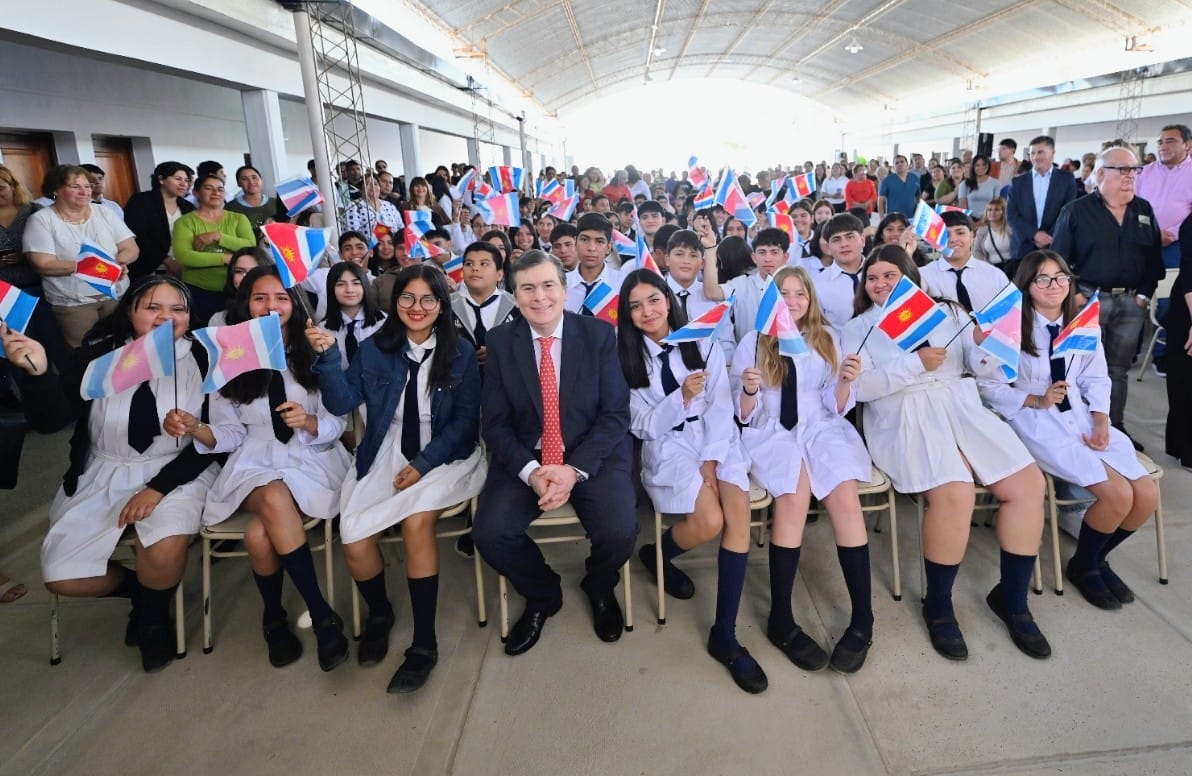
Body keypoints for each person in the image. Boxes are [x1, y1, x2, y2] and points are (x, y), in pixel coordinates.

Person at [841, 245, 1050, 661]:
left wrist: (988, 345)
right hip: (904, 414)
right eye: (872, 277)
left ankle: (1012, 599)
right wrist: (915, 364)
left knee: (1029, 485)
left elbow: (982, 366)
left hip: (962, 406)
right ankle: (938, 604)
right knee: (955, 492)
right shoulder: (858, 327)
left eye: (890, 275)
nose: (880, 283)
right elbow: (859, 390)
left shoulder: (948, 312)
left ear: (909, 276)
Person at [308, 264, 485, 691]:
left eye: (428, 299)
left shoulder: (460, 351)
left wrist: (423, 463)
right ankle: (380, 612)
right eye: (407, 297)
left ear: (441, 305)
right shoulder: (375, 348)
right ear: (394, 301)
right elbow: (341, 403)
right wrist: (328, 358)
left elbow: (465, 423)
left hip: (445, 453)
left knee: (416, 523)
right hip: (385, 448)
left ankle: (424, 644)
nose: (417, 307)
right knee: (353, 537)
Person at [42, 276, 218, 672]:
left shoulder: (204, 357)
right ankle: (143, 594)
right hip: (104, 470)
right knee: (61, 574)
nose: (166, 317)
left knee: (164, 543)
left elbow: (218, 440)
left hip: (179, 471)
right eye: (153, 307)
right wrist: (38, 375)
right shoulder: (99, 355)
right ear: (130, 311)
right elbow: (51, 417)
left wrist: (158, 487)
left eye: (177, 309)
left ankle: (153, 621)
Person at [183, 267, 351, 671]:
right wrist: (197, 429)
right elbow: (229, 433)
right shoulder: (229, 354)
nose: (271, 306)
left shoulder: (318, 345)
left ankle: (273, 618)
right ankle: (321, 614)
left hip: (311, 455)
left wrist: (309, 422)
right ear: (246, 304)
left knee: (258, 536)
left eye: (281, 297)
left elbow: (339, 419)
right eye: (260, 297)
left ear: (295, 303)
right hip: (254, 460)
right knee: (273, 495)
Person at [471, 250, 636, 656]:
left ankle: (599, 586)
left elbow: (615, 414)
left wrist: (572, 470)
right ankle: (543, 594)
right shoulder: (501, 342)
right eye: (527, 288)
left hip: (589, 454)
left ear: (564, 290)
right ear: (514, 295)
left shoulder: (599, 335)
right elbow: (495, 423)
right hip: (529, 455)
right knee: (490, 533)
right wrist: (531, 471)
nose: (539, 297)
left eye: (548, 285)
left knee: (620, 531)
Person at [978, 250, 1158, 610]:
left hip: (1081, 415)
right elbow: (987, 386)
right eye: (1042, 279)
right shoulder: (1009, 327)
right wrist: (1036, 399)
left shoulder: (1082, 323)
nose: (1054, 285)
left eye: (1061, 277)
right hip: (1036, 419)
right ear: (1027, 285)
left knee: (1146, 495)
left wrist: (1102, 419)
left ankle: (1092, 559)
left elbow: (1096, 377)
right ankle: (1087, 566)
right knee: (1118, 495)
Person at [616, 269, 765, 693]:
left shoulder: (703, 343)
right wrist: (680, 397)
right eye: (636, 306)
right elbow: (642, 425)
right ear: (627, 315)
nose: (647, 311)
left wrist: (712, 461)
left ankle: (725, 635)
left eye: (653, 300)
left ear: (668, 300)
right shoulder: (627, 359)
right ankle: (658, 554)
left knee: (737, 517)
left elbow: (720, 407)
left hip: (717, 440)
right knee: (710, 521)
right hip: (668, 447)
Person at [731, 265, 874, 674]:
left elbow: (836, 405)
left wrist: (844, 382)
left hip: (822, 425)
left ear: (810, 299)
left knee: (845, 499)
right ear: (771, 301)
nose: (792, 302)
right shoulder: (754, 342)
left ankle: (863, 619)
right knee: (793, 497)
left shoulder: (826, 337)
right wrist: (749, 389)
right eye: (784, 294)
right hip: (773, 429)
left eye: (800, 294)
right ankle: (781, 618)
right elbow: (743, 413)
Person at [1050, 146, 1165, 449]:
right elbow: (1057, 260)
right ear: (1101, 174)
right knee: (1080, 368)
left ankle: (1115, 429)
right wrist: (1074, 296)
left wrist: (1143, 295)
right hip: (1088, 301)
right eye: (1122, 169)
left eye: (1134, 170)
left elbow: (1154, 259)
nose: (1130, 176)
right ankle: (1079, 428)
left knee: (1118, 369)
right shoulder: (1076, 211)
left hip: (1131, 303)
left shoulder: (1143, 210)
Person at [25, 165, 139, 347]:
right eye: (75, 186)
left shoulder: (104, 212)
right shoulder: (41, 219)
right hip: (73, 301)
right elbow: (42, 263)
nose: (84, 192)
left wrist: (119, 263)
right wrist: (91, 267)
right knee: (85, 351)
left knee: (123, 345)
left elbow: (130, 247)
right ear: (56, 190)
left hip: (116, 294)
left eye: (87, 186)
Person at [171, 173, 256, 327]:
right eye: (208, 188)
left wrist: (218, 236)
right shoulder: (184, 222)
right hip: (199, 289)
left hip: (238, 288)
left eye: (220, 189)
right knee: (203, 332)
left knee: (239, 332)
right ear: (196, 193)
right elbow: (184, 256)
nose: (216, 192)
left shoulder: (238, 219)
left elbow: (250, 246)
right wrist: (226, 258)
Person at [702, 227, 790, 342]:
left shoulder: (797, 285)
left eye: (774, 252)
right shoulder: (741, 285)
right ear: (754, 257)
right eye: (762, 252)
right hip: (748, 352)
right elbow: (712, 292)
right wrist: (710, 249)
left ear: (785, 257)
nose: (767, 259)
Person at [920, 210, 1010, 313]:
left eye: (960, 233)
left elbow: (1010, 315)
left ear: (972, 236)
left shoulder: (995, 276)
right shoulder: (923, 275)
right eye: (945, 234)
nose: (953, 239)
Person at [1007, 135, 1077, 260]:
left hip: (1054, 245)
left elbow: (1068, 211)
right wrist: (1034, 234)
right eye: (1032, 153)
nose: (1035, 157)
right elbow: (1011, 215)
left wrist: (1049, 236)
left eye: (1040, 152)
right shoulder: (1018, 183)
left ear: (1053, 153)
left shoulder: (1066, 179)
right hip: (1023, 247)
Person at [123, 162, 195, 281]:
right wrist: (167, 261)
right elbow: (138, 236)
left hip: (182, 267)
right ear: (161, 179)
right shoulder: (141, 201)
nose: (183, 184)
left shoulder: (188, 206)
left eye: (186, 180)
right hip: (149, 268)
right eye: (178, 179)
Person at [320, 262, 385, 370]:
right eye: (341, 284)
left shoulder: (385, 324)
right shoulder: (322, 330)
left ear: (365, 285)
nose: (349, 290)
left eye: (356, 283)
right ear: (331, 289)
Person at [1166, 212, 1192, 469]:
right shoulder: (1191, 224)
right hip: (1187, 311)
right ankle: (1185, 447)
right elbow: (1189, 278)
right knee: (1184, 380)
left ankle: (1177, 442)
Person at [565, 213, 622, 315]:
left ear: (608, 248)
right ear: (575, 243)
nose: (591, 248)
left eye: (599, 241)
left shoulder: (622, 283)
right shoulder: (562, 284)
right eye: (584, 240)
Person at [208, 247, 267, 326]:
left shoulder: (279, 313)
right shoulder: (218, 320)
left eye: (254, 271)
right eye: (239, 271)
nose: (247, 277)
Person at [224, 165, 276, 239]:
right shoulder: (230, 208)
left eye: (254, 177)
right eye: (244, 179)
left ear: (261, 180)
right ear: (238, 183)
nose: (251, 182)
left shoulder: (275, 203)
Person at [343, 173, 403, 237]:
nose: (372, 186)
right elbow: (351, 235)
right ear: (361, 188)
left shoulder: (390, 206)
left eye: (375, 184)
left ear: (379, 187)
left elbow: (401, 229)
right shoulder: (354, 207)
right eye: (368, 184)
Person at [973, 197, 1014, 274]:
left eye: (997, 209)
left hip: (1011, 268)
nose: (992, 212)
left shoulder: (1011, 228)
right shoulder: (982, 231)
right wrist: (986, 266)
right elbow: (977, 251)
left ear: (1003, 212)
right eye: (989, 210)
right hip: (990, 270)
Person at [957, 154, 1000, 223]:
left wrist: (981, 222)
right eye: (977, 165)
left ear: (988, 166)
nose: (981, 167)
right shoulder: (964, 184)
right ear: (973, 167)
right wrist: (971, 222)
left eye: (984, 165)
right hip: (968, 220)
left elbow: (995, 205)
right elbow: (963, 207)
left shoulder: (996, 183)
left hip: (989, 220)